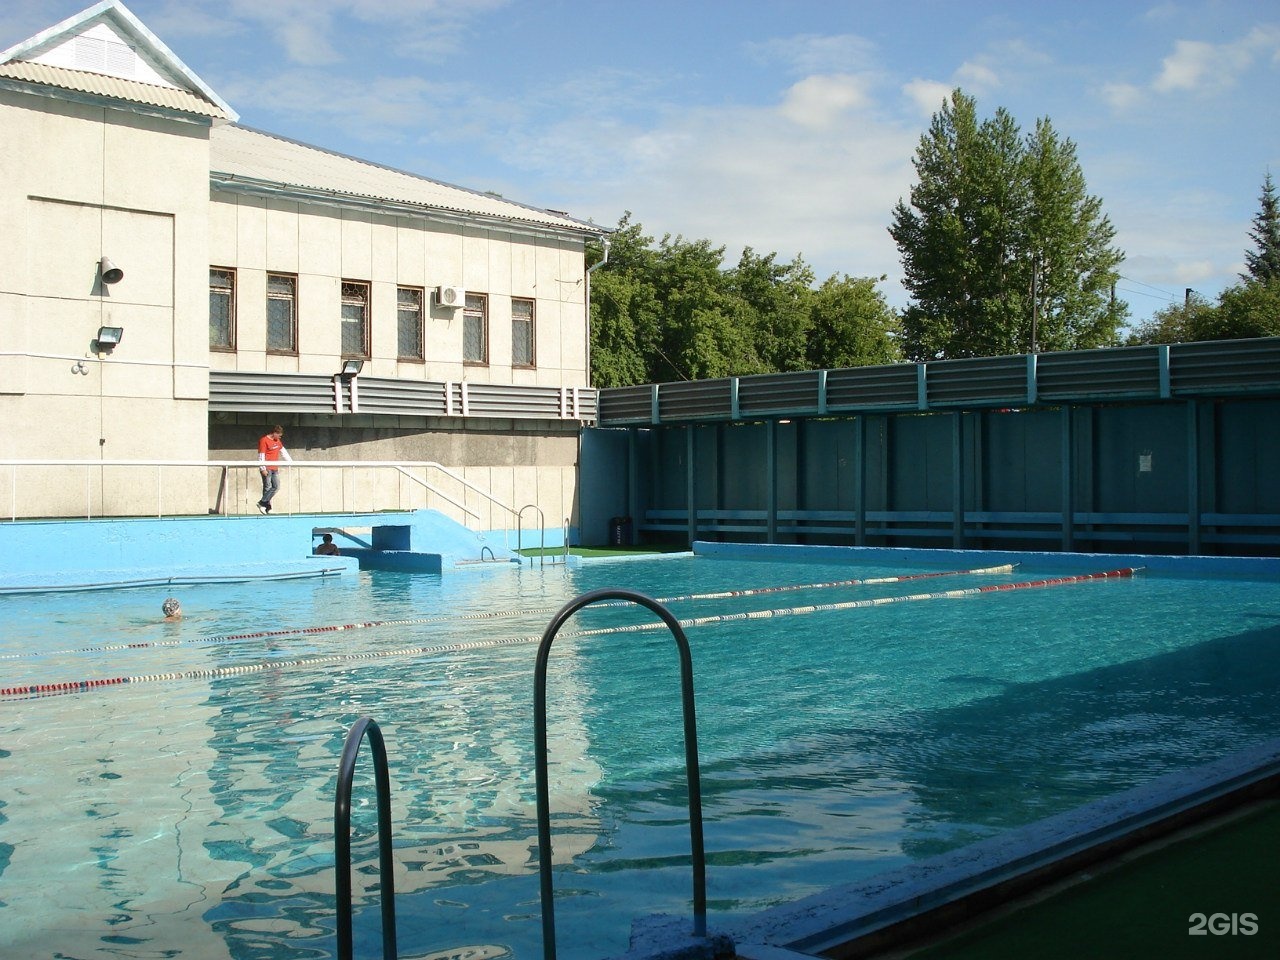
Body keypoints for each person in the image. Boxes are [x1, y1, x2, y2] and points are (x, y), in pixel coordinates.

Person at [256, 425, 291, 513]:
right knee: (267, 487)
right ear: (274, 433)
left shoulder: (277, 441)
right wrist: (262, 468)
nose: (280, 437)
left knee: (276, 486)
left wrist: (290, 462)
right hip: (267, 468)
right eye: (279, 435)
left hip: (275, 468)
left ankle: (262, 503)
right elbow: (261, 455)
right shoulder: (264, 440)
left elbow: (283, 452)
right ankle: (268, 508)